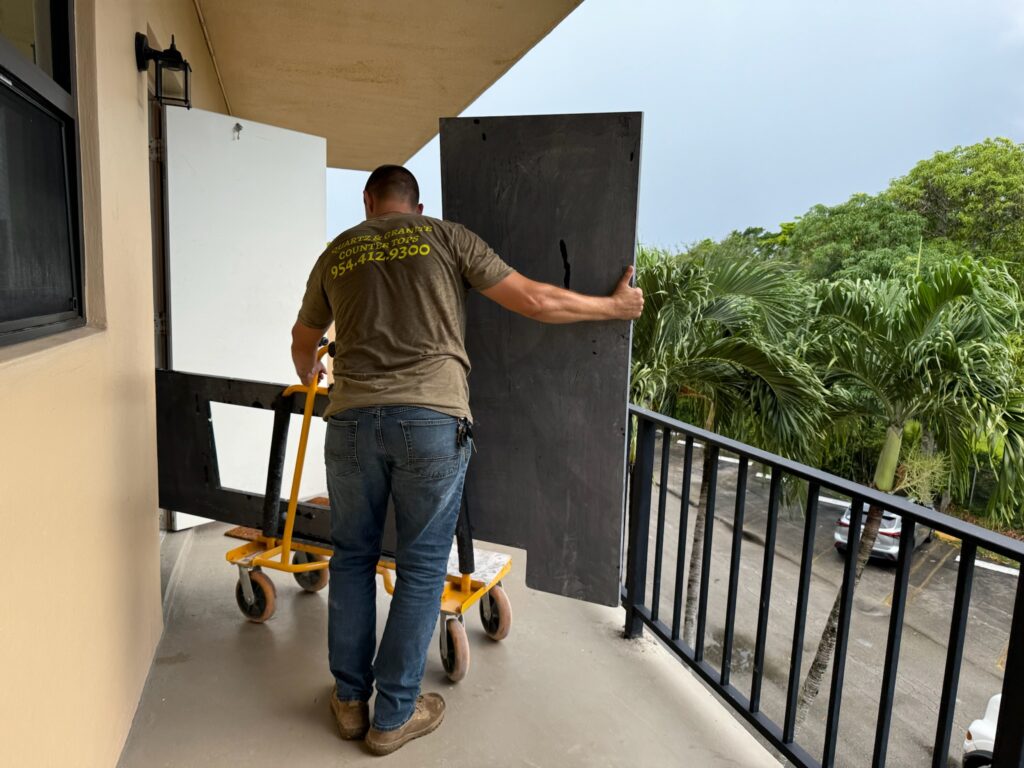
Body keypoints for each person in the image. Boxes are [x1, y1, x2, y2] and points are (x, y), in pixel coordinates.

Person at [291, 164, 643, 756]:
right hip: (431, 420)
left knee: (351, 558)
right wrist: (614, 307)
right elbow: (534, 300)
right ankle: (393, 715)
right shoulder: (447, 237)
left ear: (368, 202)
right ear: (416, 205)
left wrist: (312, 371)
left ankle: (349, 702)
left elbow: (303, 341)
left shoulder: (338, 251)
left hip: (349, 422)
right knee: (421, 567)